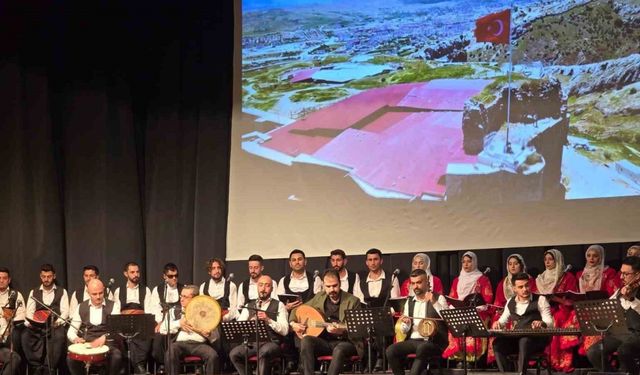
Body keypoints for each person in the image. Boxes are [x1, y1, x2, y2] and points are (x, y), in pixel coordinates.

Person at [290, 269, 361, 375]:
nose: (332, 289)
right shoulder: (320, 297)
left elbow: (358, 328)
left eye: (335, 285)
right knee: (306, 340)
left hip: (346, 342)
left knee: (339, 349)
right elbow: (298, 309)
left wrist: (342, 331)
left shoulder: (352, 301)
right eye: (328, 286)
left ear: (340, 283)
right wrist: (293, 323)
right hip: (325, 342)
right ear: (323, 285)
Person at [386, 269, 448, 375]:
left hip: (433, 342)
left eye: (419, 282)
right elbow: (405, 330)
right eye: (413, 283)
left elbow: (447, 318)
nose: (415, 286)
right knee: (391, 350)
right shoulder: (409, 302)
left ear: (427, 282)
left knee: (422, 348)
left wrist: (433, 302)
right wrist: (406, 323)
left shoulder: (438, 298)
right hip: (413, 340)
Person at [586, 256, 640, 375]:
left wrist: (632, 299)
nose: (621, 277)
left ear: (638, 275)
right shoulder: (621, 290)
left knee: (624, 350)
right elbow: (606, 306)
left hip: (638, 334)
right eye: (621, 273)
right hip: (622, 333)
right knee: (593, 352)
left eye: (626, 274)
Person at [491, 272, 553, 374]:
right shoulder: (510, 301)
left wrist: (542, 323)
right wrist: (498, 324)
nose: (525, 289)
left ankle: (521, 373)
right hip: (516, 338)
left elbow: (549, 322)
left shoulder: (540, 300)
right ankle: (507, 373)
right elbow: (502, 321)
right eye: (520, 287)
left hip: (536, 340)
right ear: (514, 289)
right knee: (498, 344)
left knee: (524, 341)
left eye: (527, 285)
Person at [230, 275, 288, 375]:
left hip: (271, 342)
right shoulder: (249, 306)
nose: (263, 289)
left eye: (267, 286)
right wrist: (249, 322)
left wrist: (268, 320)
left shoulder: (279, 305)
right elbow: (239, 326)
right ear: (257, 287)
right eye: (260, 285)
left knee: (264, 352)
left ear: (272, 289)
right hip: (252, 344)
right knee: (234, 354)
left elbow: (285, 330)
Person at [353, 248, 400, 370]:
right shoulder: (360, 283)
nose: (373, 262)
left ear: (381, 261)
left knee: (380, 326)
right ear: (366, 263)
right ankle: (367, 361)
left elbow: (395, 303)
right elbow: (358, 304)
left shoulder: (392, 278)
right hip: (367, 319)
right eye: (370, 260)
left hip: (386, 319)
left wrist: (385, 314)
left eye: (375, 259)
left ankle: (380, 358)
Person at [442, 251, 493, 363]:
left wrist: (477, 307)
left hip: (476, 310)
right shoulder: (457, 280)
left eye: (469, 261)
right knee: (453, 319)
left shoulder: (482, 279)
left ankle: (472, 358)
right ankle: (459, 357)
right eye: (463, 262)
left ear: (474, 262)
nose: (466, 264)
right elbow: (453, 297)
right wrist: (453, 306)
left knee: (473, 320)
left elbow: (487, 299)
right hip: (460, 309)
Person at [276, 250, 322, 373]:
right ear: (290, 263)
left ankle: (304, 362)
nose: (297, 262)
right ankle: (291, 360)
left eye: (300, 259)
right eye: (294, 260)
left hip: (310, 316)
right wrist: (287, 307)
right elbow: (278, 305)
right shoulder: (283, 281)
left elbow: (319, 301)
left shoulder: (315, 279)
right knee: (286, 326)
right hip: (290, 316)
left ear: (305, 261)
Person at [67, 279, 123, 375]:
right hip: (88, 344)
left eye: (100, 293)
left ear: (104, 290)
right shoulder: (81, 307)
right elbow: (71, 331)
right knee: (70, 359)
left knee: (117, 356)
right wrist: (75, 338)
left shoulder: (113, 306)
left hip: (107, 344)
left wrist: (104, 337)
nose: (98, 297)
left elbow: (117, 329)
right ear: (88, 293)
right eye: (94, 294)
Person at [487, 254, 536, 364]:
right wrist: (499, 311)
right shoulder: (503, 283)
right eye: (510, 264)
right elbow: (498, 302)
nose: (512, 266)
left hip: (526, 310)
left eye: (515, 263)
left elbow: (533, 297)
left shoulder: (529, 280)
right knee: (497, 319)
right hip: (507, 311)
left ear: (521, 265)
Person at [22, 264, 69, 375]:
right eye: (44, 276)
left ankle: (50, 367)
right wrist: (31, 323)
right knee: (25, 335)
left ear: (54, 276)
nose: (46, 279)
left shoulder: (62, 292)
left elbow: (65, 311)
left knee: (59, 336)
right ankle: (36, 366)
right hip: (37, 325)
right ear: (40, 276)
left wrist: (58, 323)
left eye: (49, 276)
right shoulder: (34, 292)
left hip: (54, 325)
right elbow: (29, 311)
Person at [535, 249, 578, 372]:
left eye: (551, 259)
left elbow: (572, 299)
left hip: (561, 309)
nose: (547, 262)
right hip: (543, 308)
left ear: (558, 260)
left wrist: (555, 298)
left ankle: (559, 361)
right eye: (545, 259)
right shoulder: (540, 278)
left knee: (557, 319)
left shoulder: (567, 276)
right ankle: (543, 360)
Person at [163, 285, 219, 375]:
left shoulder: (205, 312)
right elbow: (163, 329)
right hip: (180, 344)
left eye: (185, 297)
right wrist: (179, 323)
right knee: (171, 351)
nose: (181, 299)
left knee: (213, 355)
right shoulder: (174, 311)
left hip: (199, 345)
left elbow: (215, 337)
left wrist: (209, 334)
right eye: (181, 296)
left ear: (194, 298)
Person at [112, 262, 153, 374]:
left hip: (141, 321)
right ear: (126, 274)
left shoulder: (146, 290)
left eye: (137, 272)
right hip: (124, 321)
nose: (136, 274)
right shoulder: (118, 291)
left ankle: (138, 366)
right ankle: (138, 367)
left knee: (145, 334)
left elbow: (148, 310)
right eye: (132, 272)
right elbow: (116, 310)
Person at [150, 263, 183, 373]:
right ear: (164, 276)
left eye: (176, 275)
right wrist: (160, 322)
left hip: (179, 323)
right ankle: (162, 364)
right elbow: (155, 308)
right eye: (170, 276)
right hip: (163, 323)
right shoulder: (158, 290)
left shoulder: (183, 288)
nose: (174, 278)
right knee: (157, 345)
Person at [0, 267, 26, 374]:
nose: (1, 280)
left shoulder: (15, 295)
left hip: (7, 336)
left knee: (14, 358)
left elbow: (22, 315)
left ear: (9, 280)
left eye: (4, 278)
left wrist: (11, 318)